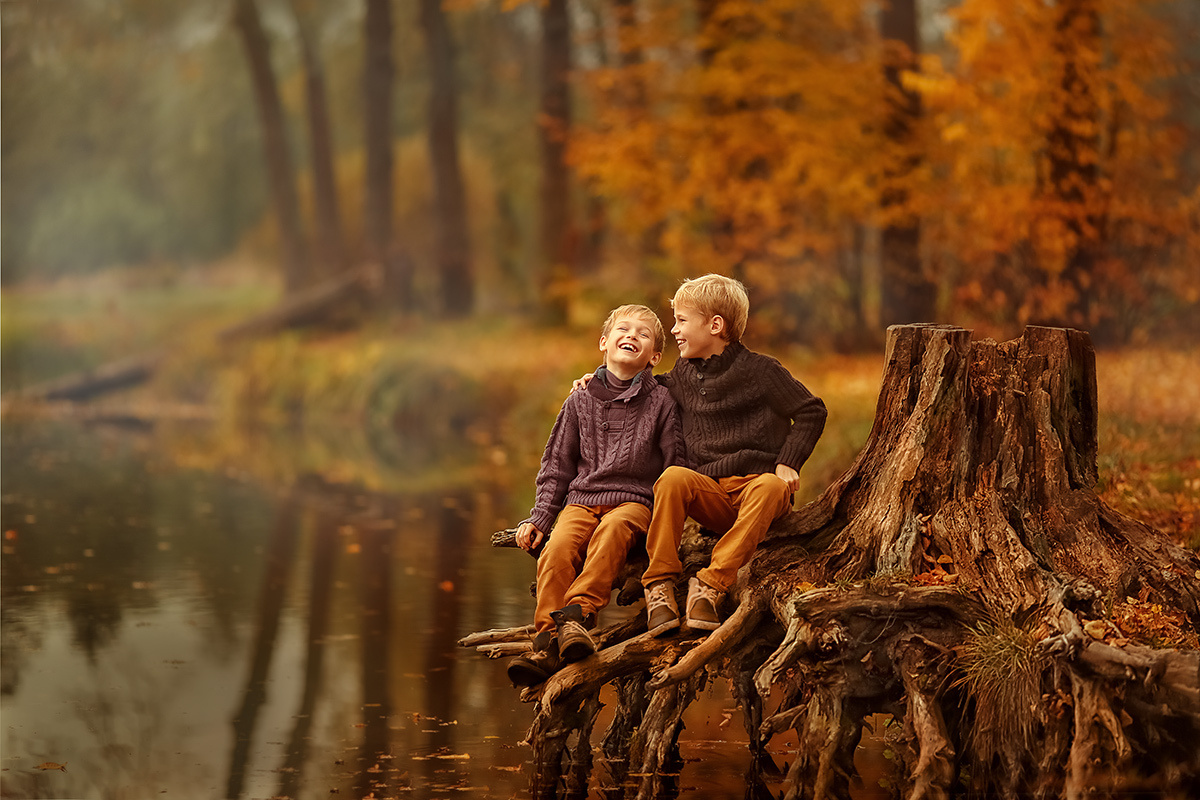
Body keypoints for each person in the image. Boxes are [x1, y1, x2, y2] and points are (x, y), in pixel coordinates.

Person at [634, 274, 827, 636]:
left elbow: (811, 411)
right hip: (713, 495)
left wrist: (788, 461)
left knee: (771, 487)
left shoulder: (762, 371)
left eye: (681, 320)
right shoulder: (683, 373)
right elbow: (650, 386)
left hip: (759, 493)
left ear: (715, 325)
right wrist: (598, 380)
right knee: (673, 478)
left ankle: (708, 585)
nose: (673, 330)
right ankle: (658, 586)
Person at [506, 304, 687, 687]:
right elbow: (557, 465)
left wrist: (672, 518)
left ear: (654, 356)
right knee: (557, 549)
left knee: (612, 532)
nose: (631, 336)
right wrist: (539, 518)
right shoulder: (579, 399)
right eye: (623, 329)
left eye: (643, 334)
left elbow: (676, 464)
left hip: (635, 502)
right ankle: (547, 640)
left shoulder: (662, 402)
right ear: (603, 342)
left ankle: (579, 616)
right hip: (581, 500)